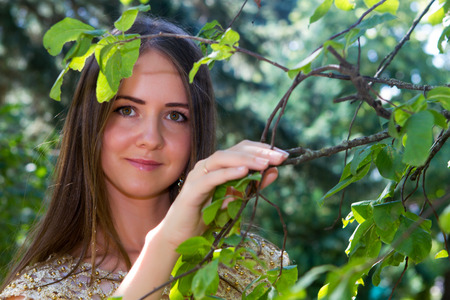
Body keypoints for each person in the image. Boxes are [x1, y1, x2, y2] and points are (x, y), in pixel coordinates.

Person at [0, 15, 289, 299]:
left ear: (197, 132)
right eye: (126, 110)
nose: (151, 139)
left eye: (176, 116)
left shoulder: (256, 265)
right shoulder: (35, 293)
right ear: (89, 122)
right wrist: (165, 243)